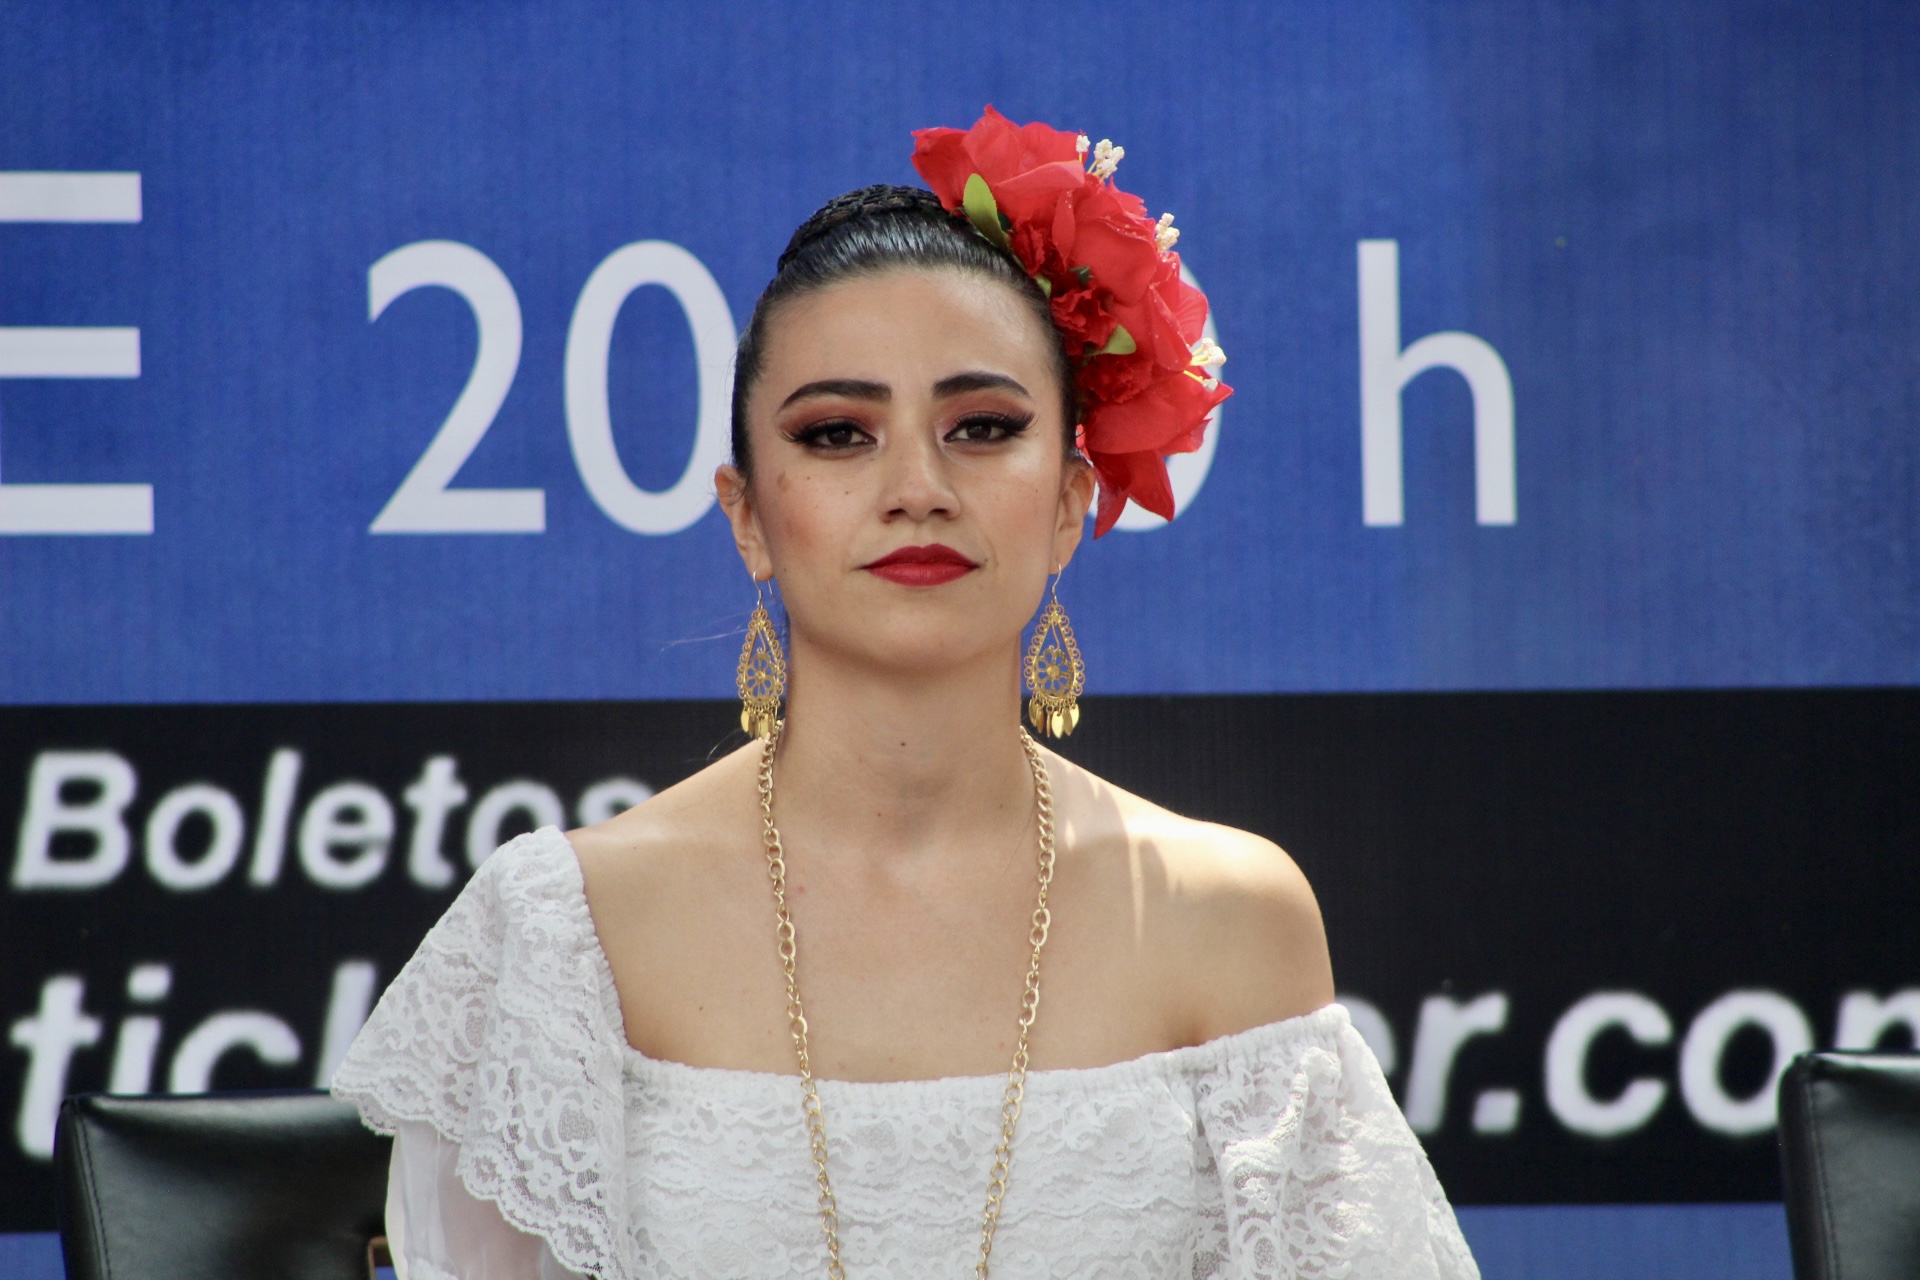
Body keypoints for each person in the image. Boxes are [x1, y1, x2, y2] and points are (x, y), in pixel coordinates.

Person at [335, 107, 1478, 1280]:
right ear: (747, 515)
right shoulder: (566, 929)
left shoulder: (1228, 917)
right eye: (839, 434)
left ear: (1071, 502)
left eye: (982, 426)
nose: (917, 486)